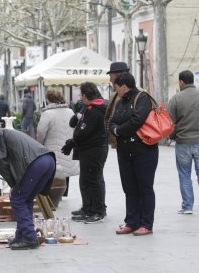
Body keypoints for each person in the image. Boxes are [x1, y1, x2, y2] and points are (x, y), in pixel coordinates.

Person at [0, 129, 55, 250]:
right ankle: (21, 236)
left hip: (37, 162)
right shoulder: (4, 134)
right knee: (26, 199)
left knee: (18, 199)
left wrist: (13, 185)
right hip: (48, 160)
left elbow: (1, 163)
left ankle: (29, 239)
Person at [108, 72, 158, 236]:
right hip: (124, 151)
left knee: (145, 187)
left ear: (123, 86)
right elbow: (112, 121)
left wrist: (118, 130)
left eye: (116, 87)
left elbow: (137, 120)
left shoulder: (142, 98)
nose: (116, 91)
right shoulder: (121, 101)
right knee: (129, 188)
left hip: (143, 151)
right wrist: (116, 129)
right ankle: (131, 222)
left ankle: (146, 224)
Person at [62, 82, 108, 224]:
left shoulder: (95, 109)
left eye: (81, 94)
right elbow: (75, 123)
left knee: (94, 180)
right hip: (89, 149)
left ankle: (98, 210)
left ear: (84, 95)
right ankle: (88, 207)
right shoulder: (90, 107)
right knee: (86, 179)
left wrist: (71, 142)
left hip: (94, 149)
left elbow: (84, 130)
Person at [37, 89, 79, 207]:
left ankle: (53, 194)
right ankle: (63, 192)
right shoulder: (70, 111)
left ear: (48, 100)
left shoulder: (47, 113)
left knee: (54, 170)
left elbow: (41, 132)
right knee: (65, 167)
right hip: (68, 145)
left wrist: (40, 144)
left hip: (52, 146)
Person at [168, 70, 199, 214]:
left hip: (182, 142)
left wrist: (172, 136)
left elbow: (170, 123)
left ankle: (187, 207)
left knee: (184, 175)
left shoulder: (176, 99)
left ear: (181, 82)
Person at [104, 62, 131, 148]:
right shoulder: (114, 95)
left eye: (111, 77)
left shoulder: (137, 94)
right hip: (120, 141)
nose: (110, 80)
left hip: (132, 141)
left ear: (117, 76)